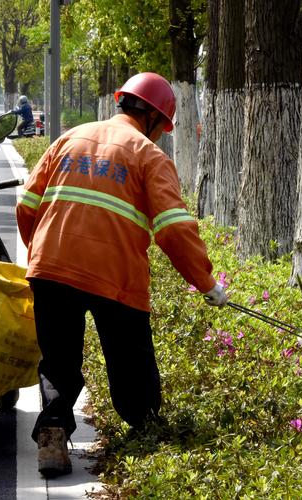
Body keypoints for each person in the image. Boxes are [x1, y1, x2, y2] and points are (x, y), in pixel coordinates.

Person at [15, 72, 227, 478]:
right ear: (152, 117)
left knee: (58, 363)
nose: (163, 135)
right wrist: (207, 283)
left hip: (52, 267)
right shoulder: (149, 157)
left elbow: (27, 204)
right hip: (115, 276)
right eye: (163, 127)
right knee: (132, 368)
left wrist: (43, 255)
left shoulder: (70, 138)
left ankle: (54, 435)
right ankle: (143, 430)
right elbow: (174, 230)